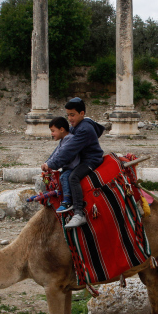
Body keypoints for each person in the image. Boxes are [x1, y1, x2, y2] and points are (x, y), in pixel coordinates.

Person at [41, 97, 105, 228]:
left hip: (91, 160)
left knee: (73, 177)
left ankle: (78, 213)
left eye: (72, 115)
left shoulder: (84, 129)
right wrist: (49, 162)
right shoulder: (77, 126)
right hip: (83, 159)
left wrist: (52, 165)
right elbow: (62, 147)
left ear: (82, 113)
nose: (70, 118)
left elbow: (69, 150)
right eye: (68, 115)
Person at [46, 117, 78, 214]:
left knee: (64, 176)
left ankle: (67, 200)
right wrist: (47, 163)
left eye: (53, 131)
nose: (52, 134)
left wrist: (50, 164)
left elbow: (61, 155)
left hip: (73, 167)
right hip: (67, 167)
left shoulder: (69, 140)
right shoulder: (63, 140)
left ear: (61, 129)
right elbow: (55, 153)